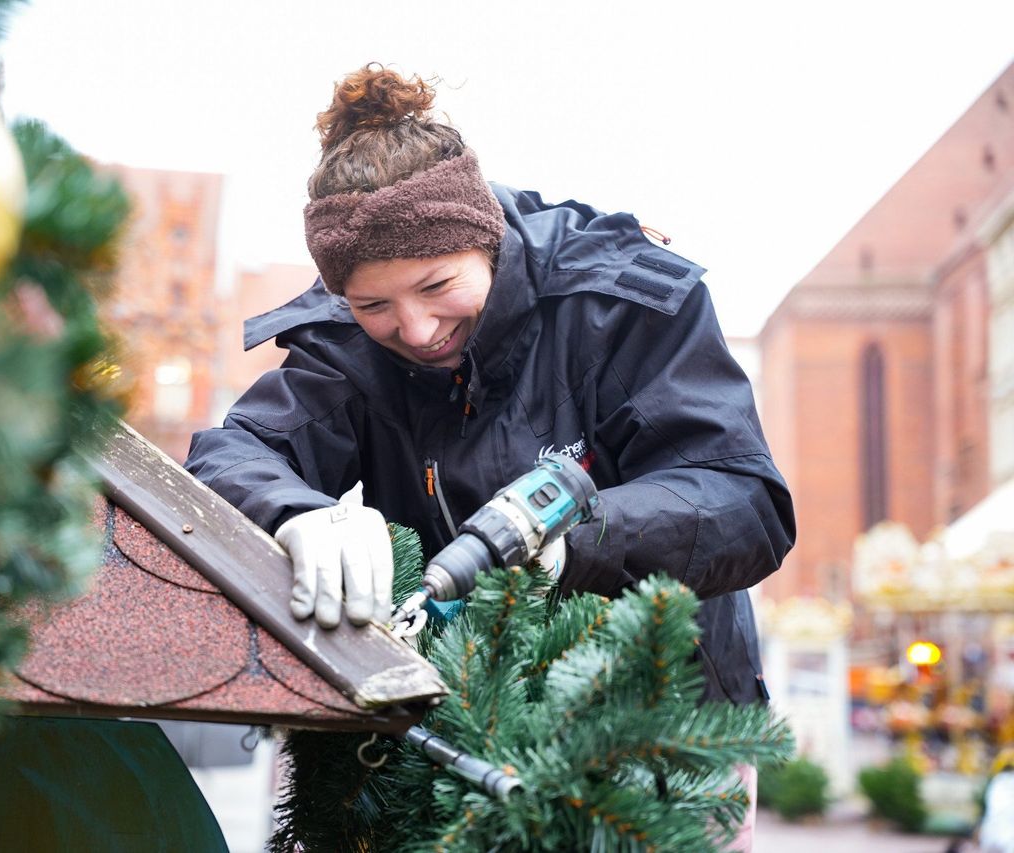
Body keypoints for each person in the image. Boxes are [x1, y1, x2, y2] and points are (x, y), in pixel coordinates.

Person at [185, 64, 795, 845]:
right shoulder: (348, 350)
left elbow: (747, 501)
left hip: (668, 724)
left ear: (487, 242)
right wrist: (296, 513)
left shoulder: (624, 299)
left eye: (438, 285)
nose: (414, 328)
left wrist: (579, 539)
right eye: (375, 304)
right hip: (461, 726)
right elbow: (233, 455)